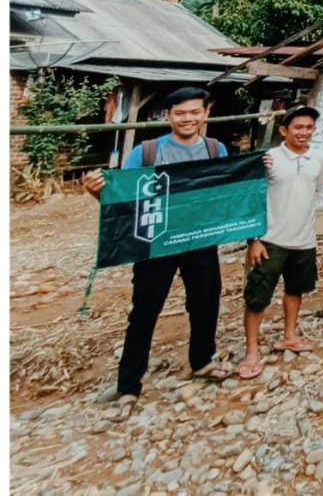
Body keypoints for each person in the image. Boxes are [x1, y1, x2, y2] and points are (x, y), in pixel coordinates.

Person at [82, 86, 235, 422]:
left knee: (206, 301)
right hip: (155, 244)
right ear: (168, 116)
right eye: (180, 113)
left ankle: (203, 360)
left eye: (195, 112)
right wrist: (98, 193)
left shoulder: (216, 148)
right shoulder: (146, 152)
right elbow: (124, 197)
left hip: (199, 239)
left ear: (206, 114)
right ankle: (129, 384)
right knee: (144, 311)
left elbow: (227, 193)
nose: (188, 118)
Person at [239, 106, 323, 380]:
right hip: (270, 239)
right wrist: (253, 239)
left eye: (309, 127)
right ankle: (251, 350)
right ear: (283, 131)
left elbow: (315, 193)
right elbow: (251, 198)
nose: (304, 132)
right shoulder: (268, 158)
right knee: (257, 296)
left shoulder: (318, 158)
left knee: (295, 290)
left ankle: (290, 335)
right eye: (298, 127)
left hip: (303, 238)